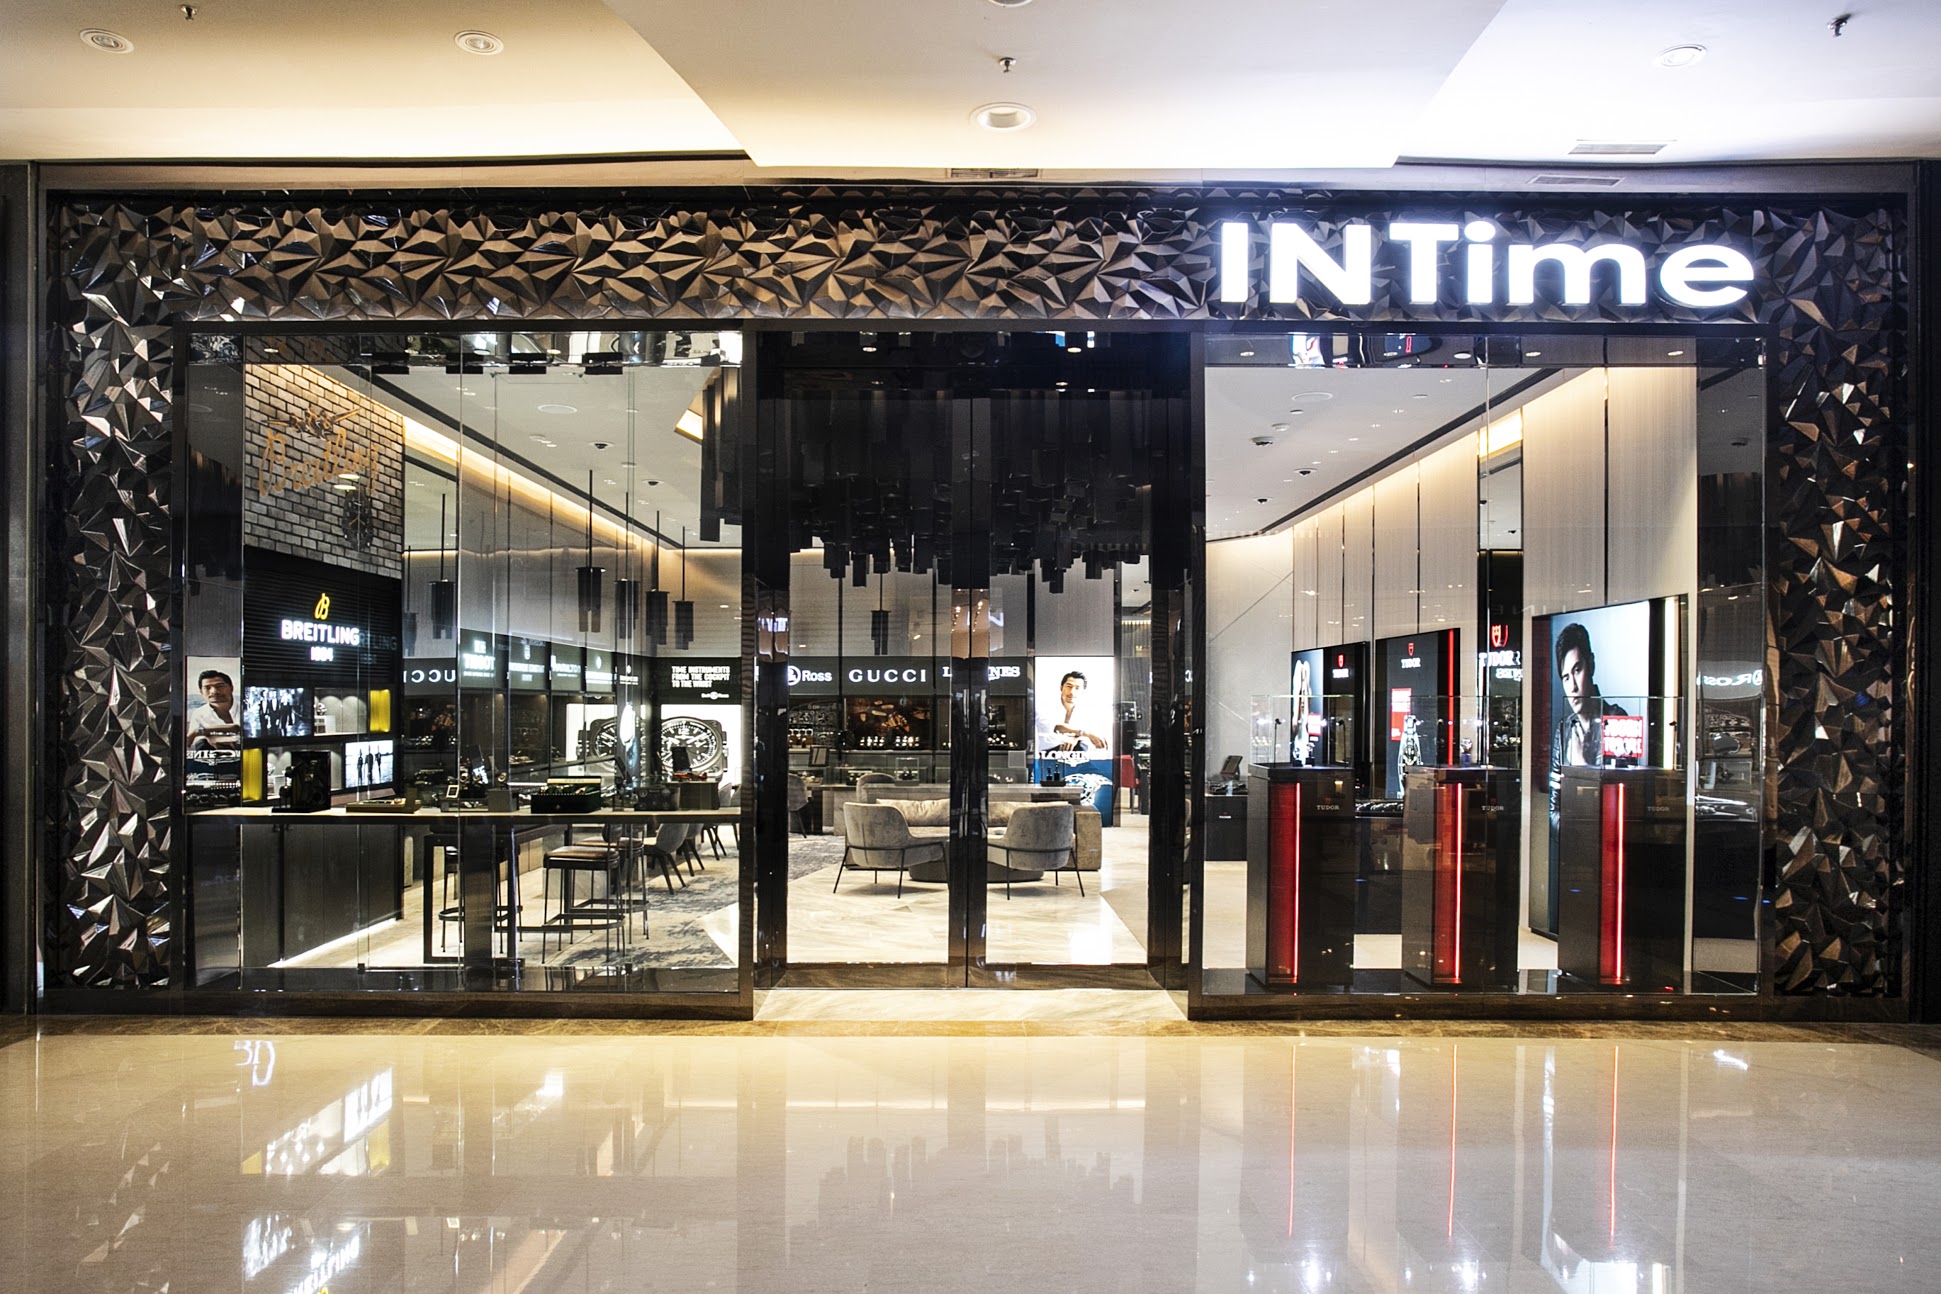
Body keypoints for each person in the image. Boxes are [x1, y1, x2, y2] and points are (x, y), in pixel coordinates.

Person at [1548, 622, 1630, 818]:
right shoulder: (1564, 729)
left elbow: (1618, 800)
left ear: (1591, 665)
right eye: (1566, 677)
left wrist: (1583, 768)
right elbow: (1553, 808)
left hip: (1606, 829)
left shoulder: (1616, 720)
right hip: (1571, 832)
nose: (1573, 687)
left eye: (1577, 670)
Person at [1043, 670, 1109, 754]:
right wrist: (1084, 733)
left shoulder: (1088, 711)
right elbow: (1054, 727)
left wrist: (1076, 738)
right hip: (1047, 751)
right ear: (1061, 687)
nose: (1072, 692)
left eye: (1077, 688)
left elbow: (1092, 734)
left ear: (1083, 691)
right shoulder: (1047, 705)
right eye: (1069, 686)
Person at [186, 669, 241, 749]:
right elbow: (194, 742)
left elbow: (238, 728)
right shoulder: (199, 713)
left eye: (220, 686)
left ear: (231, 688)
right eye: (207, 688)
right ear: (201, 692)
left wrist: (199, 731)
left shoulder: (245, 707)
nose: (214, 691)